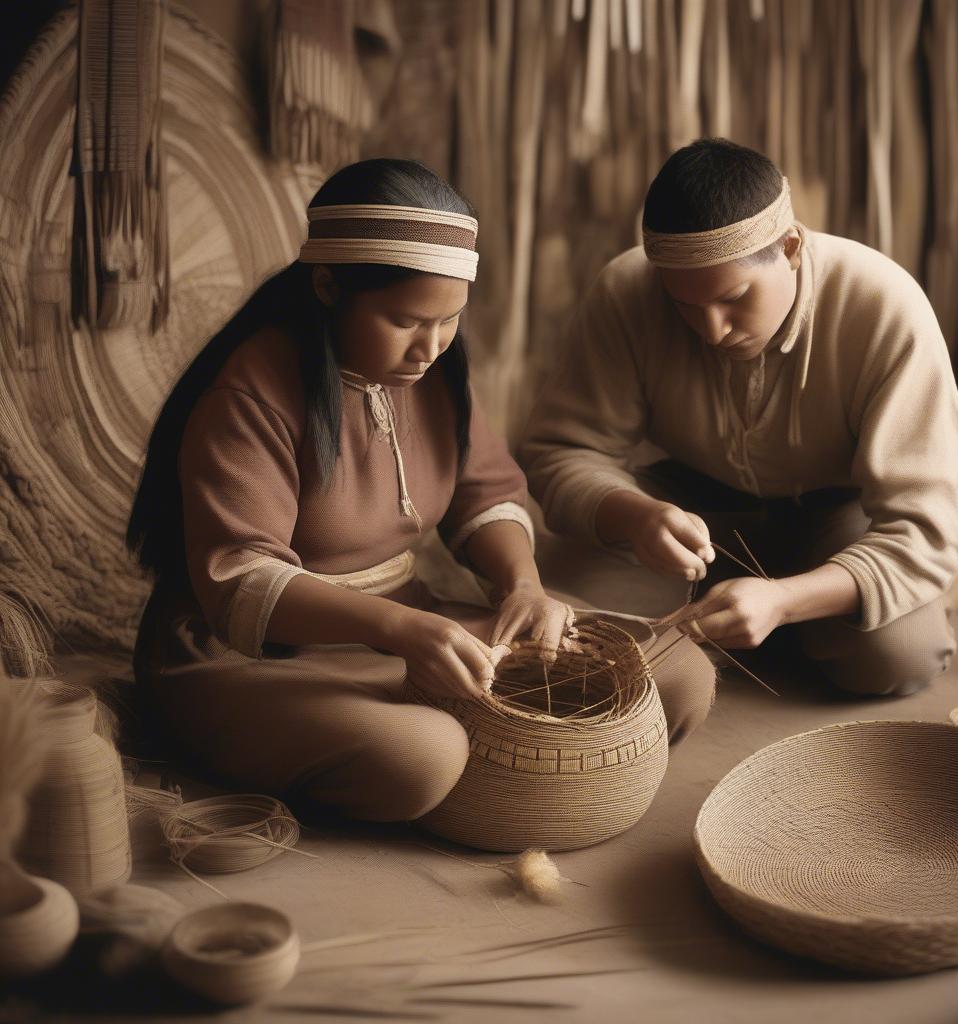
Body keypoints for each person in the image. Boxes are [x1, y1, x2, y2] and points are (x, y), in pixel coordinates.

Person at [128, 159, 715, 824]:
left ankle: (495, 774)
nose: (430, 347)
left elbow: (485, 495)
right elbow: (240, 582)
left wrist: (521, 586)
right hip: (263, 658)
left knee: (678, 672)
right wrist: (405, 631)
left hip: (410, 627)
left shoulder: (434, 375)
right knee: (425, 756)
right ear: (328, 285)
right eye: (406, 321)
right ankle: (484, 776)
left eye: (449, 321)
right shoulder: (252, 391)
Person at [521, 138, 958, 698]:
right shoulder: (626, 289)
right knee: (561, 599)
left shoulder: (884, 306)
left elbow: (924, 531)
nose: (711, 330)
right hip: (695, 515)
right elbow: (559, 452)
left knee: (897, 656)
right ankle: (773, 623)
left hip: (839, 513)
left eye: (733, 297)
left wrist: (784, 601)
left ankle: (786, 615)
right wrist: (636, 515)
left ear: (790, 248)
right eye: (685, 305)